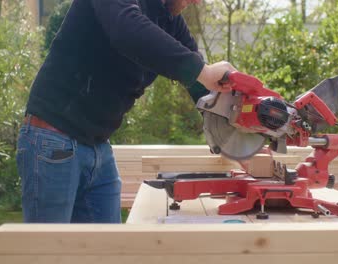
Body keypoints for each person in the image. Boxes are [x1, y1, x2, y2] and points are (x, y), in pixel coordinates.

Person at [16, 0, 236, 223]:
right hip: (53, 140)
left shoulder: (169, 19)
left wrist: (235, 138)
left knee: (108, 252)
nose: (197, 1)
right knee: (47, 251)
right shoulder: (126, 11)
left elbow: (202, 87)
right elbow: (127, 30)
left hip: (99, 148)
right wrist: (202, 71)